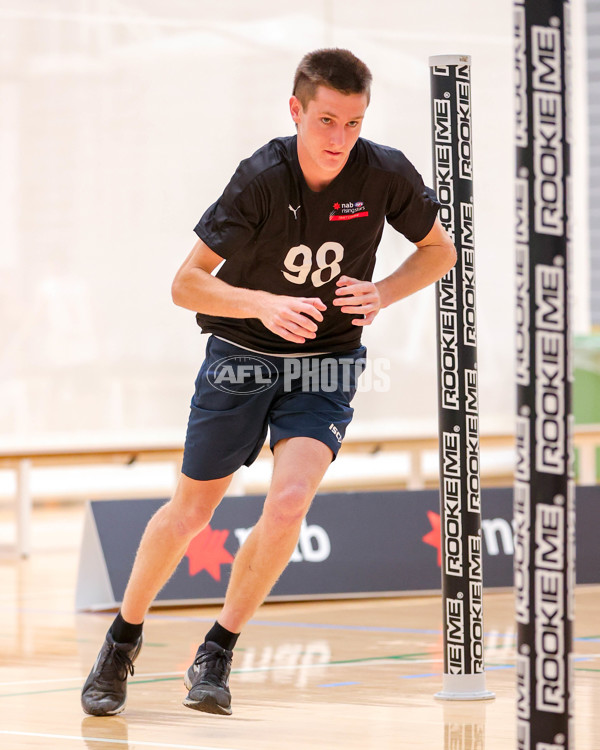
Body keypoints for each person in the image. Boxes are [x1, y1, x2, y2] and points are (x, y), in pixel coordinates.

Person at [81, 47, 456, 718]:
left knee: (288, 503)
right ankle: (122, 640)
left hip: (328, 361)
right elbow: (185, 284)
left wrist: (384, 293)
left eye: (354, 123)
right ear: (296, 110)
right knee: (192, 513)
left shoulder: (384, 173)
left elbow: (439, 251)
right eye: (327, 121)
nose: (340, 138)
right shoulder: (260, 178)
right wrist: (263, 303)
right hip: (241, 353)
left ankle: (218, 650)